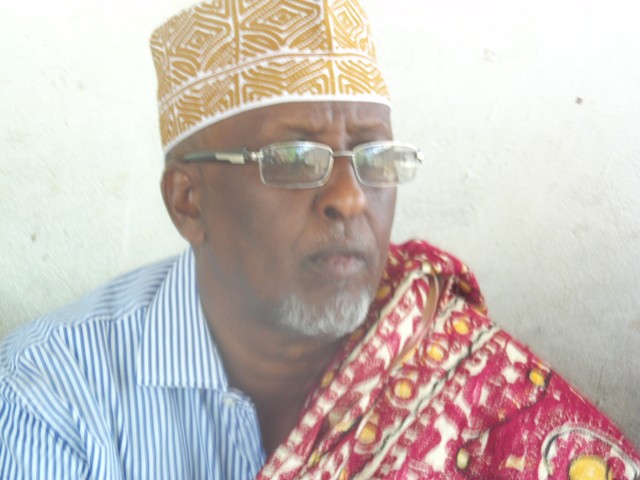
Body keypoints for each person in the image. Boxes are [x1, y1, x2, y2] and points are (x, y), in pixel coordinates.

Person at [0, 0, 638, 478]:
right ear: (188, 202)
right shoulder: (52, 390)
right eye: (294, 159)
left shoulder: (460, 371)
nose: (350, 198)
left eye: (375, 158)